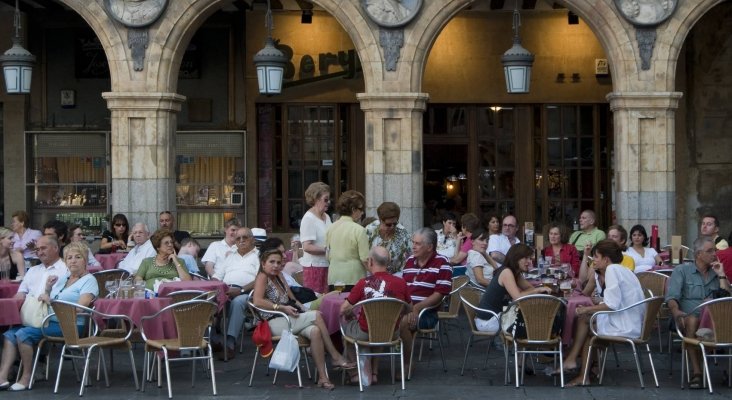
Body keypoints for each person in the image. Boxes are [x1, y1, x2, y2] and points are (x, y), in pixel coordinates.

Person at [252, 248, 354, 390]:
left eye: (278, 262)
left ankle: (323, 378)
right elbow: (257, 301)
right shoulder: (263, 277)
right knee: (317, 315)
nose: (275, 265)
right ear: (263, 264)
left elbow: (292, 299)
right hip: (273, 322)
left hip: (288, 318)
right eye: (271, 262)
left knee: (315, 331)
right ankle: (335, 356)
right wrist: (281, 308)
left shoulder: (280, 276)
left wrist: (304, 309)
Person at [0, 241, 96, 391]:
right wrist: (48, 288)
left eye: (78, 257)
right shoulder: (65, 278)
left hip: (70, 324)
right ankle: (2, 377)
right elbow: (50, 298)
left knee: (23, 334)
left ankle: (26, 376)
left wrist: (50, 300)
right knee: (10, 334)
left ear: (85, 260)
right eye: (69, 258)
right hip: (48, 320)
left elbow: (79, 308)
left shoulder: (89, 280)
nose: (73, 261)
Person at [560, 240, 646, 387]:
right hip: (634, 322)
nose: (594, 260)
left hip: (625, 325)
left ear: (606, 259)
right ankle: (581, 370)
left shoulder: (612, 270)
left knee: (584, 319)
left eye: (596, 257)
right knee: (588, 325)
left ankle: (573, 361)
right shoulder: (625, 270)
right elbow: (618, 300)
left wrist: (585, 309)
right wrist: (595, 303)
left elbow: (611, 305)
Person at [339, 246, 410, 384]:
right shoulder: (401, 283)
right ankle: (374, 372)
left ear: (370, 261)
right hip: (392, 333)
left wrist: (350, 315)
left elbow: (343, 309)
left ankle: (355, 374)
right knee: (381, 326)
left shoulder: (363, 283)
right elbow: (409, 308)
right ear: (388, 262)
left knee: (347, 330)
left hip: (365, 332)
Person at [666, 236, 729, 389]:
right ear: (698, 254)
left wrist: (721, 274)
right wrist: (676, 311)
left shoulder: (716, 272)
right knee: (692, 320)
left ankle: (728, 370)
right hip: (685, 317)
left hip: (713, 319)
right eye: (710, 251)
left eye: (715, 250)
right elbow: (671, 297)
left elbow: (727, 297)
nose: (715, 254)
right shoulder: (682, 270)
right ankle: (697, 373)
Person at [399, 228, 453, 376]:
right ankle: (371, 368)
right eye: (413, 243)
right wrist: (409, 308)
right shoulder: (410, 261)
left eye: (417, 243)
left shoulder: (443, 262)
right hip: (406, 308)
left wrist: (417, 308)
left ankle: (407, 362)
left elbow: (440, 295)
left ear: (429, 247)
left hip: (428, 313)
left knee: (403, 322)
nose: (413, 246)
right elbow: (403, 288)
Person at [474, 244, 552, 333]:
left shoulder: (515, 272)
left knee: (536, 318)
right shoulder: (506, 272)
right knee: (535, 322)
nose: (529, 262)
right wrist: (537, 290)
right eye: (526, 258)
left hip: (499, 316)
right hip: (489, 321)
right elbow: (518, 298)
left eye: (530, 259)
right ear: (516, 258)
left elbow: (529, 288)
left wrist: (534, 290)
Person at [210, 227, 258, 360]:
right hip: (225, 290)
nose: (241, 241)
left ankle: (229, 344)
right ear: (235, 242)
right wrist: (214, 287)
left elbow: (261, 279)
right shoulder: (230, 257)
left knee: (237, 302)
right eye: (238, 238)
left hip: (247, 293)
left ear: (252, 240)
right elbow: (217, 276)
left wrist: (241, 290)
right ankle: (213, 340)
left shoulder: (258, 256)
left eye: (245, 238)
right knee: (207, 301)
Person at [325, 190, 369, 291]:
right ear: (353, 209)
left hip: (333, 278)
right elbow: (365, 259)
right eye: (361, 209)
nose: (362, 212)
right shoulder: (359, 230)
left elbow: (327, 255)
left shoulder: (331, 228)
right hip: (354, 279)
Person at [299, 182, 332, 294]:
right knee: (316, 300)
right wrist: (328, 250)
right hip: (314, 268)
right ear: (316, 199)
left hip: (326, 265)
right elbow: (307, 246)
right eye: (326, 200)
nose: (329, 203)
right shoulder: (309, 219)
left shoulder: (326, 216)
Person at [365, 202, 412, 275]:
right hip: (371, 275)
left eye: (395, 224)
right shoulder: (369, 231)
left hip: (395, 276)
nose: (392, 227)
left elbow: (409, 256)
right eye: (388, 224)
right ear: (380, 220)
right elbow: (363, 256)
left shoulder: (402, 232)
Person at [9, 210, 42, 276]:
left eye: (14, 222)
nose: (12, 224)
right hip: (16, 267)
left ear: (22, 223)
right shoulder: (11, 236)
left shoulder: (35, 233)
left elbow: (41, 248)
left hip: (33, 266)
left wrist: (31, 247)